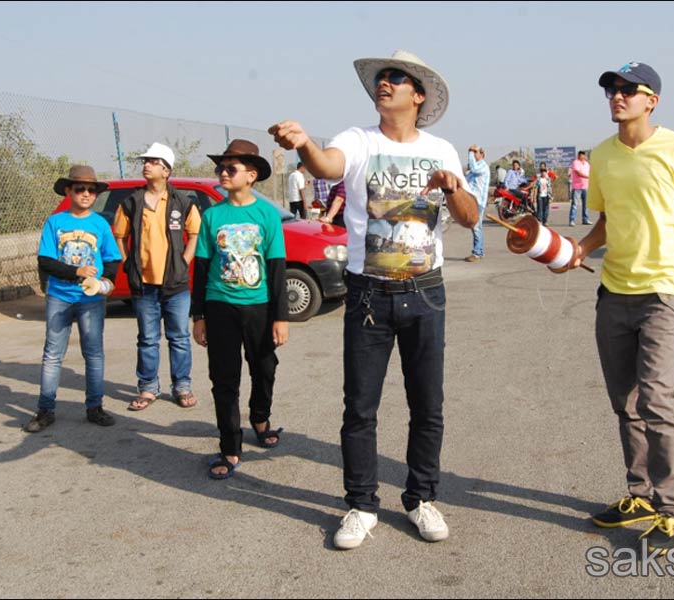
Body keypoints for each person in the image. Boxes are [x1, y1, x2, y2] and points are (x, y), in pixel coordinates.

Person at [269, 49, 479, 550]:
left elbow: (471, 217)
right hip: (368, 295)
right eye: (381, 78)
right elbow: (327, 163)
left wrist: (453, 190)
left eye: (396, 78)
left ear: (418, 94)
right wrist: (303, 145)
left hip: (425, 293)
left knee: (428, 404)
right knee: (359, 408)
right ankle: (361, 505)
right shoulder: (357, 140)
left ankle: (422, 498)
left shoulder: (443, 149)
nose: (384, 83)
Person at [570, 62, 674, 554]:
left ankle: (670, 508)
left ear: (651, 100)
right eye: (611, 89)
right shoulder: (603, 155)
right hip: (614, 292)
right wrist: (576, 249)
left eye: (627, 90)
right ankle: (639, 494)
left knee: (657, 398)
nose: (617, 96)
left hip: (664, 292)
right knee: (625, 401)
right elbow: (607, 222)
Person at [191, 139, 289, 480]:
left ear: (251, 175)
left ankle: (260, 418)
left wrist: (281, 317)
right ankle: (230, 447)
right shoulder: (212, 215)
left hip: (259, 307)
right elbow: (202, 267)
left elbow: (277, 267)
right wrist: (198, 315)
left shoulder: (266, 215)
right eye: (221, 167)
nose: (223, 172)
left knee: (264, 369)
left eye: (231, 168)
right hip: (220, 306)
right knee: (224, 379)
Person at [24, 165, 121, 433]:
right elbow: (45, 261)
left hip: (91, 300)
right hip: (60, 297)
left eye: (92, 189)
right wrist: (75, 271)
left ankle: (95, 407)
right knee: (53, 355)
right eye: (80, 189)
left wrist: (108, 282)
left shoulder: (100, 224)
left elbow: (112, 258)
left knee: (94, 354)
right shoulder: (55, 222)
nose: (87, 194)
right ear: (68, 191)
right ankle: (45, 409)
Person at [114, 142, 200, 411]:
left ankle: (182, 386)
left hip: (175, 284)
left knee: (179, 337)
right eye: (145, 161)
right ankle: (148, 387)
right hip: (144, 284)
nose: (146, 165)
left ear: (166, 170)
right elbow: (119, 236)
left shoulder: (183, 202)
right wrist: (129, 264)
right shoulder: (130, 202)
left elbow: (196, 234)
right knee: (148, 338)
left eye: (152, 161)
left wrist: (183, 262)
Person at [465, 145, 490, 262]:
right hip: (471, 201)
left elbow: (474, 168)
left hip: (478, 201)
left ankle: (477, 252)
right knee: (475, 227)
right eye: (473, 152)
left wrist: (469, 152)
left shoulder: (483, 166)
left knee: (476, 227)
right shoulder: (472, 170)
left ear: (482, 154)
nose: (474, 154)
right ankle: (478, 251)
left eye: (476, 152)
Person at [569, 150, 591, 226]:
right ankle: (572, 220)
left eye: (584, 155)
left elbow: (590, 172)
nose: (584, 157)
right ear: (579, 156)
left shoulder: (587, 164)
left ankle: (585, 219)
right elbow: (579, 173)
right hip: (577, 187)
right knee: (575, 204)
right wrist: (588, 177)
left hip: (585, 186)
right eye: (582, 155)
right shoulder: (575, 162)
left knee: (586, 204)